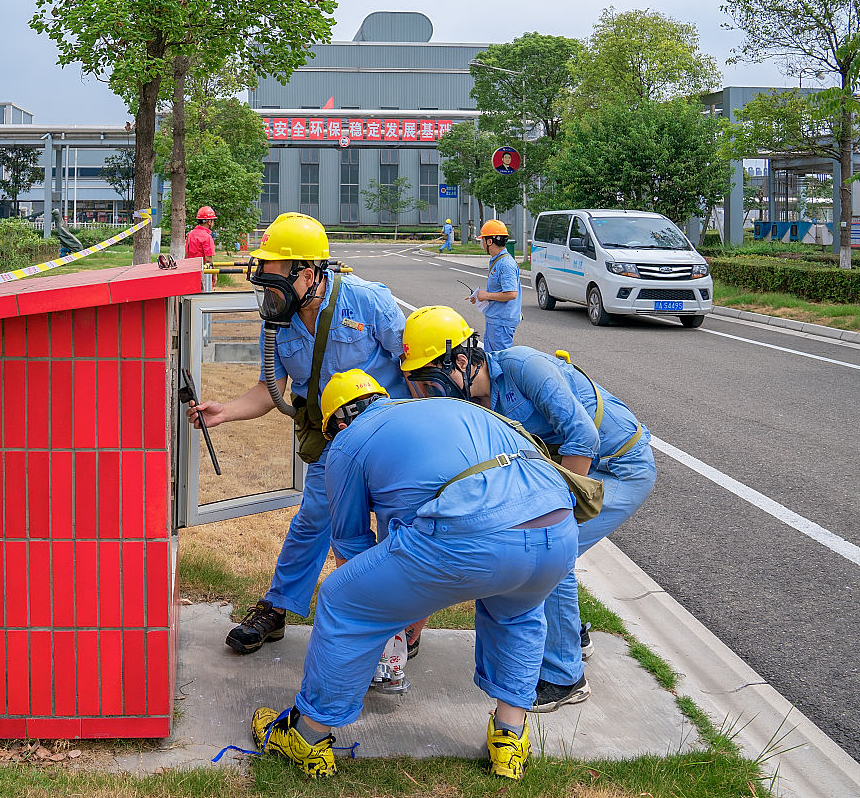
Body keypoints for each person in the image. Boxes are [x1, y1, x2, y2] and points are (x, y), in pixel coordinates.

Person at [250, 369, 578, 781]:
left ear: (338, 422)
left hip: (474, 535)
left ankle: (307, 736)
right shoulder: (442, 409)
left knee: (342, 598)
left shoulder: (349, 442)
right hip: (557, 530)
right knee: (517, 614)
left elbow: (353, 549)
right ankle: (510, 740)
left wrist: (384, 628)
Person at [399, 305, 657, 713]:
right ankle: (572, 636)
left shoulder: (523, 366)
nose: (431, 397)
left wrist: (551, 513)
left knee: (550, 553)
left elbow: (581, 436)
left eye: (431, 385)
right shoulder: (478, 407)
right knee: (536, 545)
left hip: (620, 467)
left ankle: (563, 677)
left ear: (462, 362)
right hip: (581, 467)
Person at [186, 212, 410, 655]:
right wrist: (223, 412)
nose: (268, 290)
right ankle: (277, 606)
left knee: (395, 528)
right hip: (333, 442)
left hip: (389, 439)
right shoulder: (281, 319)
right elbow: (271, 390)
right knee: (313, 521)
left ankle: (396, 628)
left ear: (308, 274)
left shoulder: (369, 302)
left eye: (274, 277)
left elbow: (416, 367)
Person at [468, 219, 521, 351]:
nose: (482, 243)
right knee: (491, 358)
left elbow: (511, 294)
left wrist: (486, 295)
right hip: (496, 320)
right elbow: (500, 290)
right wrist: (479, 296)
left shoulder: (505, 264)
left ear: (489, 241)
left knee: (499, 360)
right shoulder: (497, 261)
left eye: (483, 240)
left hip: (501, 322)